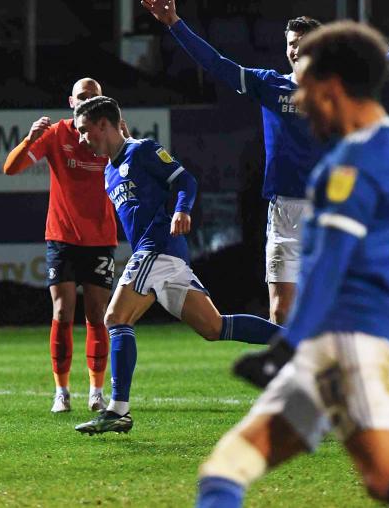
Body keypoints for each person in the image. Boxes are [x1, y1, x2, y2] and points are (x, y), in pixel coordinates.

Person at [194, 21, 389, 508]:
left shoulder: (343, 168)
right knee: (388, 479)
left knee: (227, 470)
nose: (300, 101)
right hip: (370, 341)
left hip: (342, 344)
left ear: (332, 86)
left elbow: (329, 269)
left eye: (307, 87)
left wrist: (285, 347)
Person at [140, 0, 389, 325]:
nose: (296, 50)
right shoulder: (269, 85)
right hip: (285, 212)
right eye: (291, 44)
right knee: (280, 311)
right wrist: (174, 24)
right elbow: (216, 63)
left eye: (303, 43)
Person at [70, 96, 285, 435]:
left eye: (84, 130)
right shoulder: (109, 172)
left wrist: (182, 210)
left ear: (103, 124)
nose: (82, 139)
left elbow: (186, 180)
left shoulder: (142, 150)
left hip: (156, 248)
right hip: (162, 256)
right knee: (214, 327)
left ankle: (118, 410)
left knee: (115, 318)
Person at [3, 78, 116, 414]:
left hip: (100, 237)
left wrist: (125, 142)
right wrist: (29, 139)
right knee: (63, 312)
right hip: (62, 236)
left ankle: (96, 392)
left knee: (96, 315)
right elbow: (11, 169)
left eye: (93, 96)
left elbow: (134, 175)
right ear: (71, 101)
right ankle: (62, 392)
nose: (87, 100)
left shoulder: (110, 135)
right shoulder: (56, 134)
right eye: (82, 96)